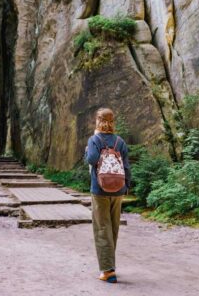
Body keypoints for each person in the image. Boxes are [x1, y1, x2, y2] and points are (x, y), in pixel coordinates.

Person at [84, 107, 131, 284]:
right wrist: (126, 186)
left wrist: (89, 147)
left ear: (98, 120)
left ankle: (108, 271)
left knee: (102, 228)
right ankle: (109, 264)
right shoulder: (120, 142)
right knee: (113, 228)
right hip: (118, 189)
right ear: (112, 121)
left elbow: (91, 159)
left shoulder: (94, 139)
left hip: (100, 190)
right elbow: (126, 167)